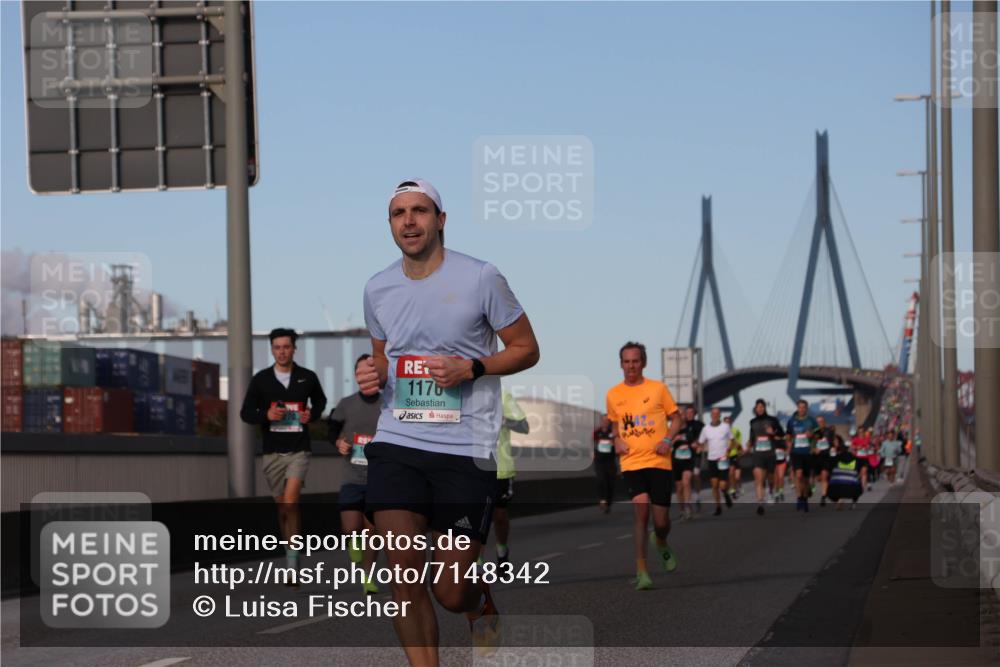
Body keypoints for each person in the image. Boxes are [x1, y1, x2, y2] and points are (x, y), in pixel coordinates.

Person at [357, 178, 540, 664]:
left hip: (465, 448)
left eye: (420, 211)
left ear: (440, 220)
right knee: (404, 575)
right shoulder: (377, 288)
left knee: (450, 590)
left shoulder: (481, 277)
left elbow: (526, 349)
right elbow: (383, 363)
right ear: (391, 225)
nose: (409, 221)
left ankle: (479, 605)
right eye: (399, 213)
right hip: (398, 441)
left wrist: (473, 366)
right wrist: (371, 378)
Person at [240, 328, 327, 584]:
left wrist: (312, 413)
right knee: (283, 509)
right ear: (271, 350)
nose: (281, 351)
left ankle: (292, 564)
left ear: (294, 349)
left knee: (290, 502)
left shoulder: (307, 378)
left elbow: (321, 402)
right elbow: (245, 413)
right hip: (271, 453)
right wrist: (265, 415)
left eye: (286, 347)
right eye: (277, 347)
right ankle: (292, 551)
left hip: (299, 449)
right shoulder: (261, 380)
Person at [606, 341, 681, 590]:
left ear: (643, 363)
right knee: (641, 512)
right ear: (621, 364)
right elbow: (615, 424)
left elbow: (677, 418)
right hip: (632, 463)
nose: (631, 366)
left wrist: (668, 439)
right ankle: (642, 571)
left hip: (659, 461)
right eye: (626, 362)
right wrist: (616, 439)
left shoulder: (658, 389)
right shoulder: (613, 394)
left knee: (661, 521)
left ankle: (660, 541)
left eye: (635, 361)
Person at [328, 353, 382, 595]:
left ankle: (368, 577)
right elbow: (331, 430)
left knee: (372, 530)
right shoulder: (346, 404)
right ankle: (354, 545)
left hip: (378, 478)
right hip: (352, 476)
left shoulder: (388, 403)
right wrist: (338, 442)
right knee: (352, 530)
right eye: (361, 373)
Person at [489, 388, 529, 565]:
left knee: (499, 516)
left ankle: (502, 550)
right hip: (471, 466)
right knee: (474, 518)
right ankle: (477, 565)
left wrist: (503, 420)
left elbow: (524, 426)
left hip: (501, 469)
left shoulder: (502, 395)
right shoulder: (464, 393)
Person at [747, 399, 783, 516]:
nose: (760, 409)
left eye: (762, 406)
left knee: (770, 478)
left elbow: (781, 434)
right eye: (758, 407)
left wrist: (773, 433)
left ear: (765, 408)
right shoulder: (752, 422)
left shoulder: (772, 420)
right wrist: (749, 444)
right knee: (759, 479)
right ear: (755, 408)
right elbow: (752, 437)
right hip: (758, 454)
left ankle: (771, 490)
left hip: (770, 454)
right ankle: (760, 504)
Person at [698, 407, 734, 516]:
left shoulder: (725, 426)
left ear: (720, 415)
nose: (714, 416)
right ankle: (718, 507)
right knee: (714, 485)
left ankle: (726, 494)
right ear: (711, 415)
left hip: (723, 459)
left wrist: (728, 450)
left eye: (717, 414)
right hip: (711, 459)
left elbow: (732, 441)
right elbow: (701, 442)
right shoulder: (706, 429)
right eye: (713, 414)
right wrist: (699, 448)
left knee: (722, 486)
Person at [786, 399, 818, 512]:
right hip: (796, 453)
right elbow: (788, 435)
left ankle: (805, 497)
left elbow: (819, 434)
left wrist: (812, 434)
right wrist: (788, 444)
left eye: (804, 407)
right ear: (797, 408)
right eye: (800, 407)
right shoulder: (791, 421)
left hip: (808, 453)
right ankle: (799, 498)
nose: (802, 409)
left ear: (806, 408)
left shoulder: (811, 421)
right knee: (798, 476)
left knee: (805, 478)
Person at [671, 411, 697, 520]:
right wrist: (673, 440)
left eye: (683, 415)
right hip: (676, 461)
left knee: (686, 482)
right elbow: (666, 445)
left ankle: (687, 507)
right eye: (679, 415)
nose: (681, 417)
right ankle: (681, 509)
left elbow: (697, 442)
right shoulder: (672, 431)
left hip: (688, 460)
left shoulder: (691, 429)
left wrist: (695, 445)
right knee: (679, 487)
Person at [828, 435, 863, 510]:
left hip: (844, 472)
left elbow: (833, 461)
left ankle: (846, 501)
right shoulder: (832, 449)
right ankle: (842, 501)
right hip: (842, 473)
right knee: (840, 486)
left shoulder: (841, 451)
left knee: (847, 485)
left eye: (836, 441)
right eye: (834, 441)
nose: (835, 442)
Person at [682, 405, 706, 515]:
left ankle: (697, 496)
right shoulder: (682, 425)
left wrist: (699, 444)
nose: (689, 414)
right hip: (683, 456)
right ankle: (687, 504)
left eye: (691, 412)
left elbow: (705, 437)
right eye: (687, 412)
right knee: (686, 480)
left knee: (695, 475)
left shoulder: (699, 425)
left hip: (696, 455)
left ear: (694, 413)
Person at [593, 414, 617, 513]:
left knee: (610, 482)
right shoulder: (596, 432)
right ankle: (602, 500)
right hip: (599, 460)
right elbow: (592, 443)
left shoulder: (613, 432)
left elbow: (618, 443)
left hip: (610, 460)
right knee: (601, 480)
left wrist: (614, 444)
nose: (605, 422)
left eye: (607, 420)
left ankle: (608, 502)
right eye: (603, 420)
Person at [812, 415, 836, 507]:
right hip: (816, 457)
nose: (820, 423)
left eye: (821, 421)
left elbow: (832, 442)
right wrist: (814, 449)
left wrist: (833, 448)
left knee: (824, 476)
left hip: (826, 456)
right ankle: (817, 487)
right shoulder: (814, 432)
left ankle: (823, 496)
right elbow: (810, 443)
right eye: (818, 422)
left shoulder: (829, 431)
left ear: (824, 422)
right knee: (819, 478)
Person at [725, 416, 743, 498]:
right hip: (725, 455)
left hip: (734, 454)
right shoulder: (720, 432)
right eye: (726, 422)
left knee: (736, 476)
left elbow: (739, 443)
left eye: (729, 422)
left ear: (731, 422)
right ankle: (732, 489)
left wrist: (740, 451)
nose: (727, 424)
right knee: (730, 474)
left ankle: (736, 487)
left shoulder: (735, 431)